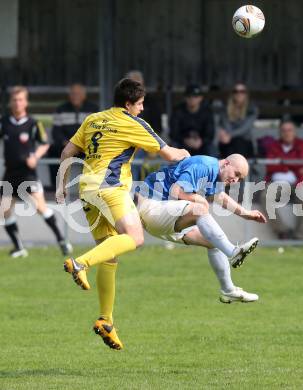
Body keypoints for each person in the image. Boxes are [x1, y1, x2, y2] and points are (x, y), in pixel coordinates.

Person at [56, 78, 189, 350]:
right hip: (110, 188)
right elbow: (169, 154)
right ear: (128, 104)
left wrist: (61, 187)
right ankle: (80, 263)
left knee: (110, 253)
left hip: (86, 190)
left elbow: (68, 151)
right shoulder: (133, 122)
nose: (141, 109)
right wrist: (187, 154)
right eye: (139, 104)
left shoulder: (93, 119)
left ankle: (106, 320)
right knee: (135, 237)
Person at [135, 154, 266, 301]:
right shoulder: (204, 164)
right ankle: (233, 252)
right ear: (226, 163)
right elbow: (176, 191)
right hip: (153, 206)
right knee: (199, 208)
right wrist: (199, 199)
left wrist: (246, 214)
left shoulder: (215, 174)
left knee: (214, 242)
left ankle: (228, 290)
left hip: (162, 213)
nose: (235, 181)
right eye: (236, 174)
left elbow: (220, 197)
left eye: (239, 179)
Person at [0, 86, 72, 258]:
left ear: (26, 102)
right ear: (11, 103)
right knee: (4, 210)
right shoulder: (4, 122)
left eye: (20, 100)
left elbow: (45, 143)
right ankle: (19, 247)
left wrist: (35, 156)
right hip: (10, 173)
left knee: (40, 208)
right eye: (15, 100)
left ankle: (62, 241)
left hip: (28, 174)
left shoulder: (33, 123)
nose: (17, 103)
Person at [48, 84, 99, 188]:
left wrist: (83, 143)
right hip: (66, 145)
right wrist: (66, 142)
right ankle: (56, 185)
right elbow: (56, 132)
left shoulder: (94, 109)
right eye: (73, 94)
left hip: (86, 145)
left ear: (84, 96)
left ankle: (92, 186)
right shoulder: (61, 109)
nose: (75, 96)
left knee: (98, 151)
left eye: (78, 94)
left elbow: (96, 131)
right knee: (52, 150)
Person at [260, 120, 303, 239]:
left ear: (295, 132)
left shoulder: (301, 145)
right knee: (265, 195)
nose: (287, 133)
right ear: (280, 132)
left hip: (298, 182)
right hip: (277, 184)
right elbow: (270, 166)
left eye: (289, 130)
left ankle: (299, 236)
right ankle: (282, 231)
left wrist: (282, 164)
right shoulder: (273, 146)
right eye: (284, 130)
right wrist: (293, 167)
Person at [169, 84, 216, 156]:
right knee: (174, 146)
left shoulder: (207, 111)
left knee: (211, 148)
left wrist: (201, 141)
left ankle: (212, 167)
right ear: (185, 98)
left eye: (195, 96)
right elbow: (173, 133)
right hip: (182, 143)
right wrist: (185, 140)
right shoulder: (178, 111)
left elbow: (210, 133)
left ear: (200, 98)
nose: (192, 99)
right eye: (189, 96)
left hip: (201, 144)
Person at [218, 83, 258, 158]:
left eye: (242, 91)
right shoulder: (225, 108)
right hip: (228, 142)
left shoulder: (252, 109)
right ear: (232, 94)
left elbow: (244, 128)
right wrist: (227, 136)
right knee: (225, 144)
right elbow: (225, 124)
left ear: (246, 94)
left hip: (244, 142)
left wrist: (230, 135)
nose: (239, 93)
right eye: (236, 91)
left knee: (238, 142)